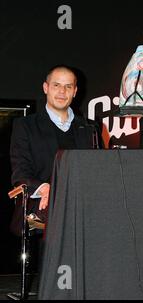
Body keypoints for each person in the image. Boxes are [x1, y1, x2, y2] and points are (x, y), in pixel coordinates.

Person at [9, 65, 102, 234]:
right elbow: (20, 173)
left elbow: (98, 173)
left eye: (68, 86)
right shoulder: (25, 126)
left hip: (84, 217)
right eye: (56, 85)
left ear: (75, 91)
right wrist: (45, 188)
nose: (62, 91)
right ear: (46, 88)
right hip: (40, 219)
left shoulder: (90, 127)